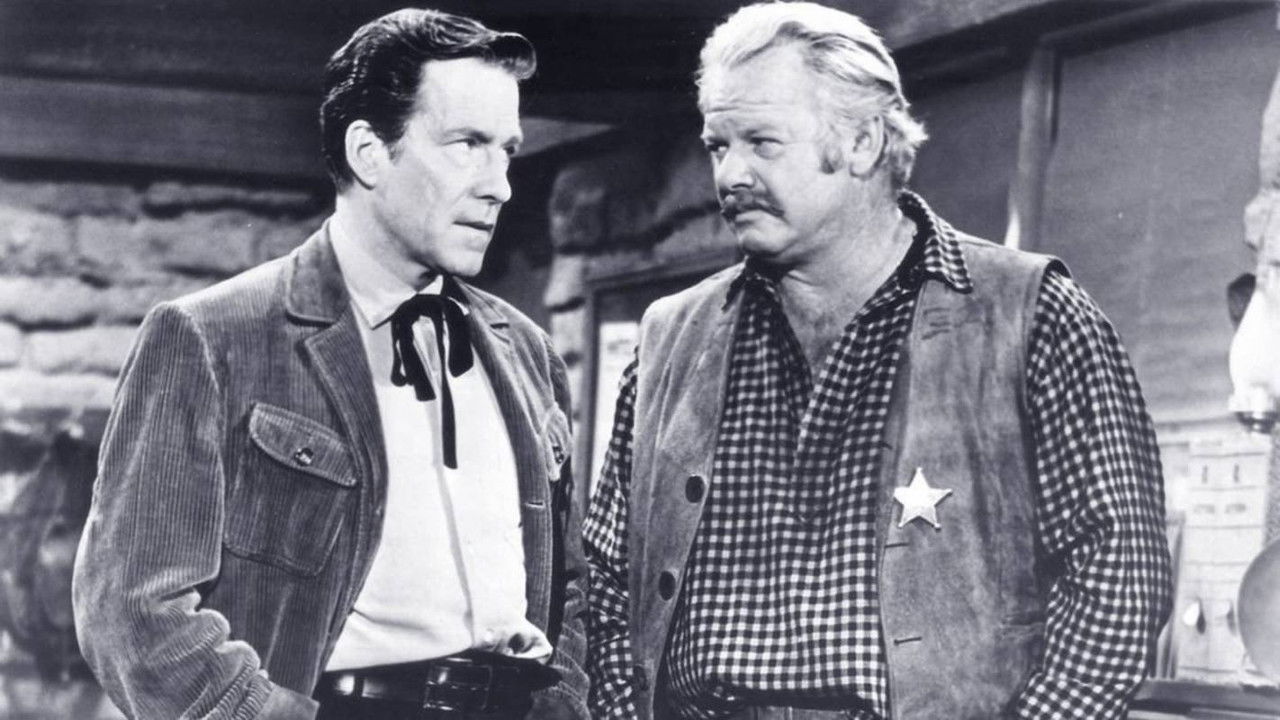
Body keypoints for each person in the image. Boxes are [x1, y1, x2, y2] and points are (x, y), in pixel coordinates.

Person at [583, 3, 1172, 719]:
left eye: (762, 142)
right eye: (717, 146)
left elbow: (1118, 584)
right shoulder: (670, 338)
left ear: (862, 142)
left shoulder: (1030, 315)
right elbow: (603, 580)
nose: (730, 175)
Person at [72, 9, 588, 720]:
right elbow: (132, 612)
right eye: (468, 144)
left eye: (507, 150)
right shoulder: (215, 337)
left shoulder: (524, 350)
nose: (500, 184)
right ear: (369, 152)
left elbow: (568, 588)